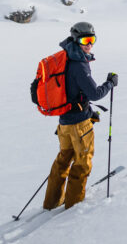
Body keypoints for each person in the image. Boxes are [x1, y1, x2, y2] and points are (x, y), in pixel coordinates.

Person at [42, 21, 118, 210]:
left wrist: (90, 112)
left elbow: (73, 92)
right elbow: (95, 94)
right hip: (79, 126)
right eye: (85, 39)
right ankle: (73, 206)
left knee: (62, 160)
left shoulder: (64, 57)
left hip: (64, 123)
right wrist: (110, 83)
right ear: (76, 40)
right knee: (82, 163)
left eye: (92, 39)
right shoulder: (79, 65)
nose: (89, 44)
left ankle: (51, 202)